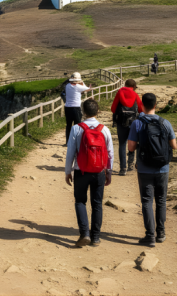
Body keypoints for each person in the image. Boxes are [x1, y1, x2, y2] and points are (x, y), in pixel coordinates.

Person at [128, 93, 177, 246]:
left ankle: (150, 236)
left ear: (142, 106)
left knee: (147, 201)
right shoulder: (165, 122)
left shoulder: (137, 123)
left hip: (144, 168)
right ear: (156, 105)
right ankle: (161, 233)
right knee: (161, 200)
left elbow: (131, 147)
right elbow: (174, 145)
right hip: (163, 168)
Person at [65, 99, 114, 248]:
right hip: (99, 171)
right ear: (98, 111)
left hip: (81, 171)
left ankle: (84, 234)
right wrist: (109, 172)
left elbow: (70, 153)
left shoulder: (77, 128)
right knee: (97, 203)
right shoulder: (104, 129)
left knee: (80, 201)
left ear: (83, 112)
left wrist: (68, 171)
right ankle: (96, 237)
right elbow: (110, 153)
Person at [111, 79, 144, 175]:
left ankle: (123, 169)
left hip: (121, 122)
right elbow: (141, 109)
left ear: (125, 85)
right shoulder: (135, 95)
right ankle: (131, 164)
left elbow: (113, 109)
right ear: (133, 87)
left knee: (122, 144)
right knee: (133, 142)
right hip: (133, 122)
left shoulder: (119, 93)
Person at [64, 72, 94, 144]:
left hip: (67, 107)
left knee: (69, 125)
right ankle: (77, 141)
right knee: (77, 125)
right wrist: (82, 82)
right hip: (76, 108)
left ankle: (68, 141)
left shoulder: (67, 85)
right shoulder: (78, 87)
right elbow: (88, 89)